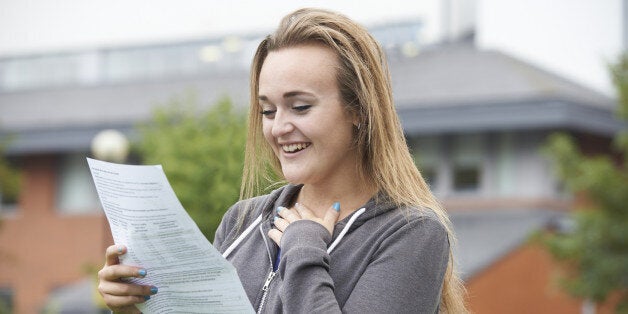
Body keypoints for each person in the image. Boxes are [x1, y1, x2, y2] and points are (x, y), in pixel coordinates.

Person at [98, 8, 467, 313]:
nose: (278, 128)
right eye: (268, 110)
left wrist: (304, 248)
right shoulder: (240, 222)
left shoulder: (412, 233)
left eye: (300, 107)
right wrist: (136, 306)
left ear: (358, 109)